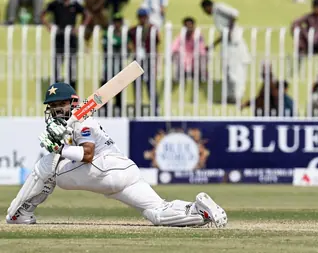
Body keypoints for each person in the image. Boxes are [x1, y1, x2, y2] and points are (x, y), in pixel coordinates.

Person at [6, 82, 228, 228]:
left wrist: (59, 149)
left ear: (74, 103)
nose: (55, 109)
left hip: (105, 168)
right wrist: (61, 143)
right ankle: (200, 211)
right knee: (157, 213)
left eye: (60, 104)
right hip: (125, 170)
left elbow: (87, 155)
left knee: (48, 165)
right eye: (52, 105)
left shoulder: (84, 122)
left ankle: (18, 214)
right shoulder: (71, 125)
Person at [200, 0, 251, 104]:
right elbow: (223, 33)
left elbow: (235, 14)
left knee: (236, 71)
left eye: (205, 11)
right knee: (227, 70)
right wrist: (212, 45)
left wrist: (230, 30)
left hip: (234, 43)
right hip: (227, 44)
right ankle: (229, 97)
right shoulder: (215, 15)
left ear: (207, 7)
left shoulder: (218, 7)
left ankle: (237, 96)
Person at [42, 0, 91, 90]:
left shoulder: (75, 4)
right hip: (59, 37)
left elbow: (87, 15)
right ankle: (56, 92)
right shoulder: (56, 3)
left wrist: (80, 28)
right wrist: (48, 25)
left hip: (72, 38)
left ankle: (72, 93)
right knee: (57, 66)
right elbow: (43, 13)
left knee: (72, 67)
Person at [127, 8, 160, 116]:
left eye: (144, 17)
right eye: (140, 17)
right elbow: (129, 43)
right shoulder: (133, 30)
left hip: (149, 61)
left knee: (151, 87)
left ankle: (155, 111)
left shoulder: (152, 29)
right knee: (137, 87)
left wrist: (156, 62)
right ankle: (138, 111)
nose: (142, 19)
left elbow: (157, 46)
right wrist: (132, 49)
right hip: (137, 61)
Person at [101, 13, 125, 115]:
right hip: (108, 67)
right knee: (105, 88)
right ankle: (104, 109)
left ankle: (118, 109)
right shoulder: (107, 33)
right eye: (116, 21)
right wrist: (118, 41)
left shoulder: (124, 34)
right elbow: (106, 44)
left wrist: (117, 41)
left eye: (119, 21)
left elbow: (126, 45)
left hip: (118, 67)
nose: (117, 24)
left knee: (119, 89)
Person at [171, 17, 207, 82]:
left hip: (195, 67)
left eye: (190, 25)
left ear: (193, 26)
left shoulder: (198, 36)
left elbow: (202, 51)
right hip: (183, 67)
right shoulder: (180, 37)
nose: (189, 27)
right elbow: (174, 48)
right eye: (187, 25)